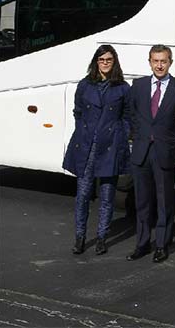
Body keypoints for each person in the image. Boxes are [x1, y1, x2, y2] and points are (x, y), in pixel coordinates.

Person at [63, 45, 131, 255]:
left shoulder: (123, 88)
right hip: (87, 146)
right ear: (96, 62)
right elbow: (78, 112)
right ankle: (80, 237)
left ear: (114, 62)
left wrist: (120, 134)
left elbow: (127, 116)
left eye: (109, 59)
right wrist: (84, 131)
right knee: (83, 195)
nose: (105, 63)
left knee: (107, 196)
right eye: (101, 60)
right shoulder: (85, 85)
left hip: (111, 146)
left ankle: (102, 237)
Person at [127, 45, 175, 263]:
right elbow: (131, 114)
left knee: (164, 202)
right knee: (142, 201)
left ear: (170, 62)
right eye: (155, 61)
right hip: (141, 151)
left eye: (163, 61)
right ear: (150, 62)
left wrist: (169, 138)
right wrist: (139, 136)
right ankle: (142, 243)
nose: (159, 65)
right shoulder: (138, 86)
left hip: (164, 151)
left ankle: (162, 245)